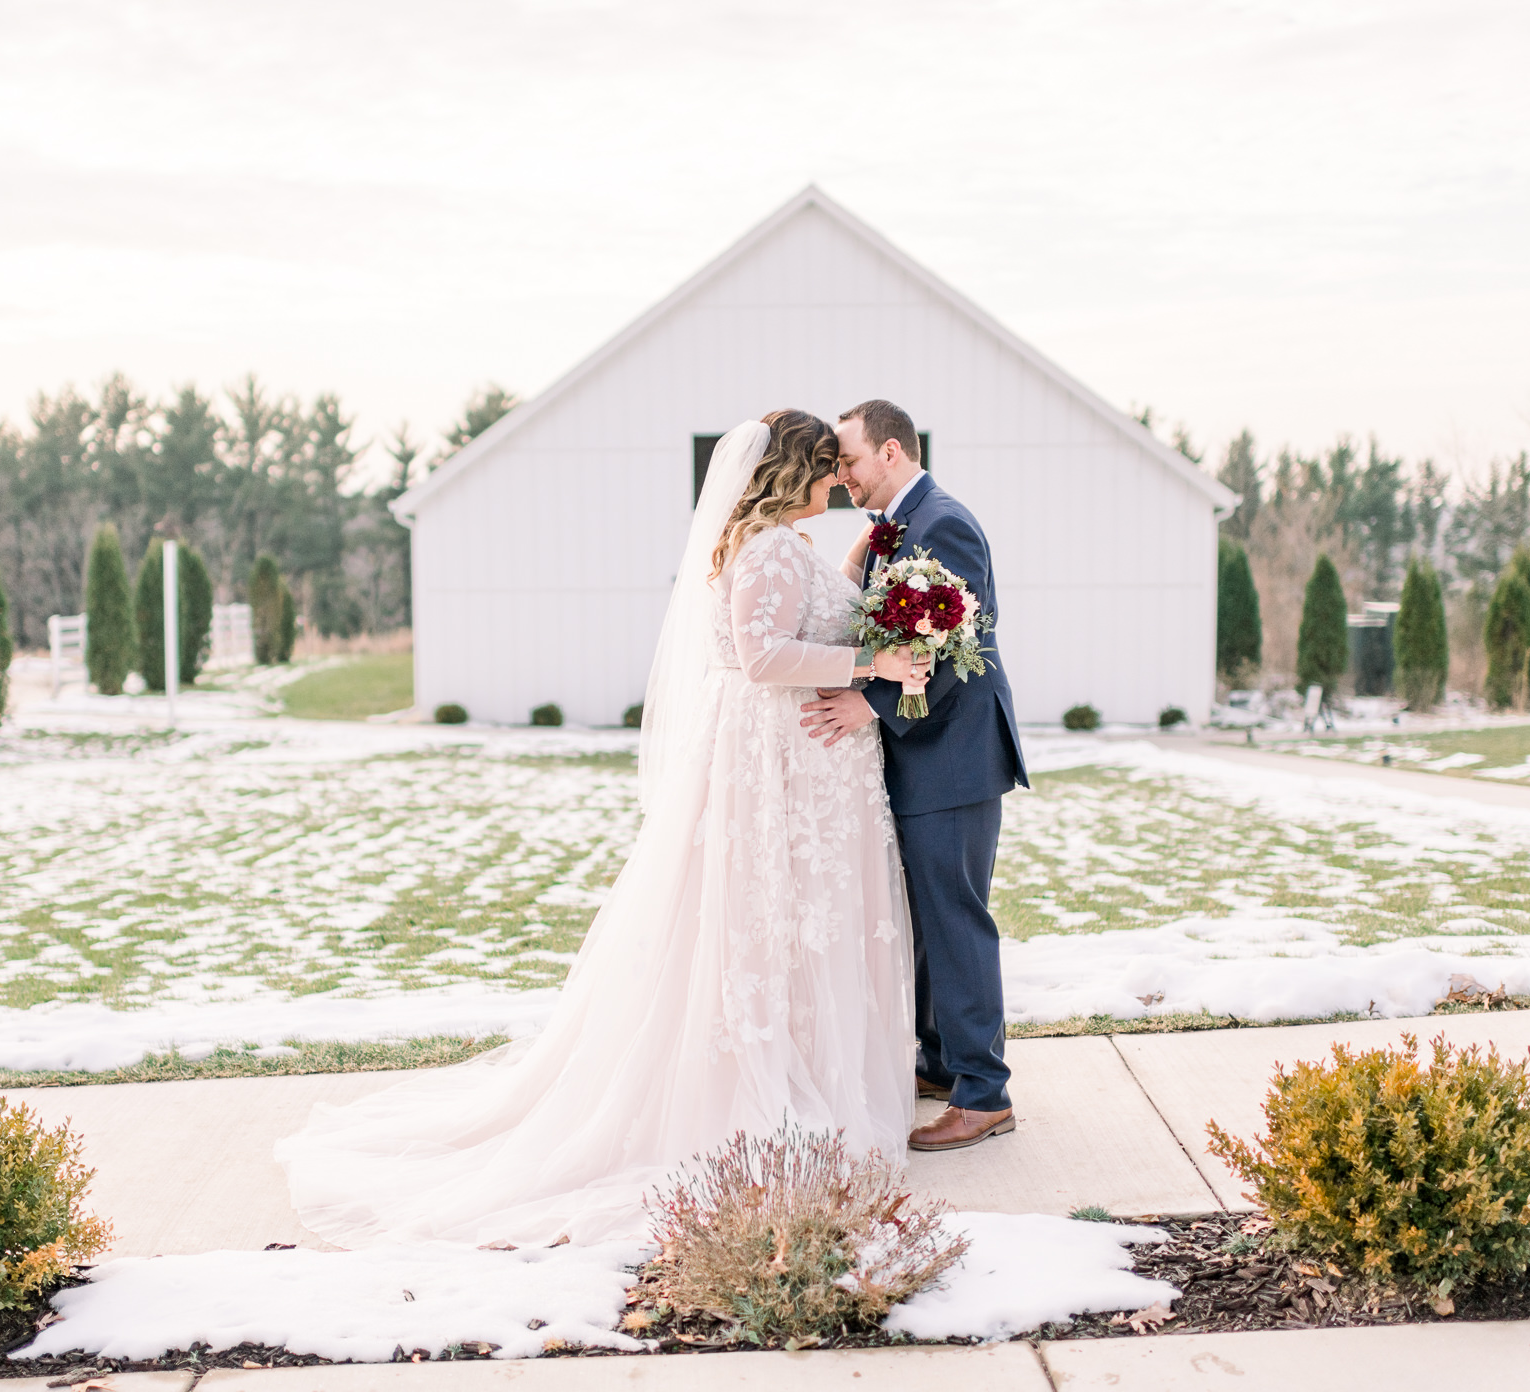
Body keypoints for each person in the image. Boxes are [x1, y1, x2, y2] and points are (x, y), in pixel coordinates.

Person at [276, 411, 926, 1246]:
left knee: (791, 926)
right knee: (761, 925)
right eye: (827, 467)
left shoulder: (786, 546)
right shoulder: (764, 549)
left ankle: (815, 1068)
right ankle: (772, 1088)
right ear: (793, 473)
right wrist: (874, 661)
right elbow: (763, 658)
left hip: (799, 770)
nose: (839, 479)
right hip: (772, 766)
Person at [800, 399, 1028, 1153]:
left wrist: (871, 707)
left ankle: (983, 1093)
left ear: (890, 451)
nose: (842, 476)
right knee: (928, 923)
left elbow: (958, 654)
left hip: (955, 758)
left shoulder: (943, 523)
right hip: (924, 760)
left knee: (957, 922)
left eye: (850, 461)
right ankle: (941, 1061)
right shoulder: (896, 528)